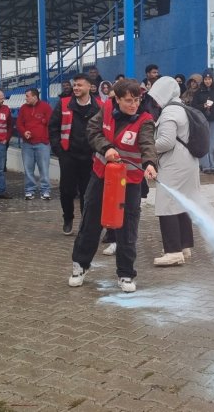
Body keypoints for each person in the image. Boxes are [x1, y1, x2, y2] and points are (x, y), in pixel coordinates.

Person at [68, 79, 158, 293]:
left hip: (131, 181)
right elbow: (93, 130)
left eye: (137, 100)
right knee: (91, 222)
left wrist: (150, 164)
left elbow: (147, 144)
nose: (133, 105)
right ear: (116, 99)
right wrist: (106, 148)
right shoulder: (106, 109)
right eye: (128, 100)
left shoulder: (145, 120)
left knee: (128, 228)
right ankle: (80, 266)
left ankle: (126, 274)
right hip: (102, 176)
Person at [148, 76, 199, 265]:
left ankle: (173, 251)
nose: (154, 100)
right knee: (181, 203)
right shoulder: (183, 108)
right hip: (189, 163)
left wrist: (146, 146)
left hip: (174, 165)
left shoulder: (169, 113)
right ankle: (184, 246)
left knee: (166, 204)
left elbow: (166, 142)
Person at [49, 74, 100, 235]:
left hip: (90, 156)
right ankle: (68, 218)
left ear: (89, 87)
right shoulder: (64, 104)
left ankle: (85, 223)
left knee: (87, 193)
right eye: (75, 85)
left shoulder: (100, 106)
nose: (76, 88)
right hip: (68, 155)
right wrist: (59, 151)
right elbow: (53, 128)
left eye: (79, 85)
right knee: (67, 190)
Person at [17, 88, 53, 200]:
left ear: (35, 97)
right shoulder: (23, 108)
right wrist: (24, 132)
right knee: (28, 168)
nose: (25, 98)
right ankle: (29, 190)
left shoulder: (46, 107)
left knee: (44, 168)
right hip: (27, 144)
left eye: (27, 96)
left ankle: (45, 190)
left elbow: (50, 123)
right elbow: (19, 123)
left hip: (42, 143)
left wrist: (45, 137)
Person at [191, 68, 214, 174]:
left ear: (212, 79)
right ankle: (205, 166)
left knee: (212, 144)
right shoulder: (199, 92)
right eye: (206, 79)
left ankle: (213, 166)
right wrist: (203, 106)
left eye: (209, 79)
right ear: (203, 80)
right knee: (204, 143)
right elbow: (194, 107)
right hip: (202, 121)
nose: (208, 81)